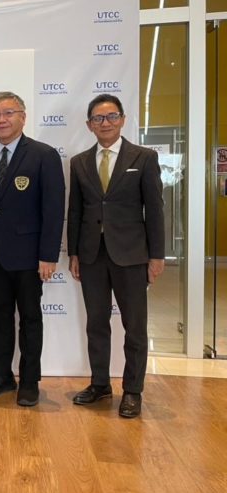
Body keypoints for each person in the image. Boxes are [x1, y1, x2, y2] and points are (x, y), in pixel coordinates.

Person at [68, 94, 165, 419]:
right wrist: (74, 252)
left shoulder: (144, 157)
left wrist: (156, 255)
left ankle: (133, 391)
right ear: (89, 125)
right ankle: (100, 384)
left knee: (134, 326)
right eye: (98, 118)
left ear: (122, 119)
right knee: (96, 323)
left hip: (132, 254)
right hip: (92, 255)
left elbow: (154, 209)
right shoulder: (79, 162)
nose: (105, 123)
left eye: (111, 116)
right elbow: (76, 210)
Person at [0, 91, 65, 407]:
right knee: (0, 317)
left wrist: (48, 255)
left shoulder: (43, 155)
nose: (1, 119)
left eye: (8, 113)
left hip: (29, 257)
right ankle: (2, 376)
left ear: (23, 117)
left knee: (30, 319)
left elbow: (53, 209)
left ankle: (29, 381)